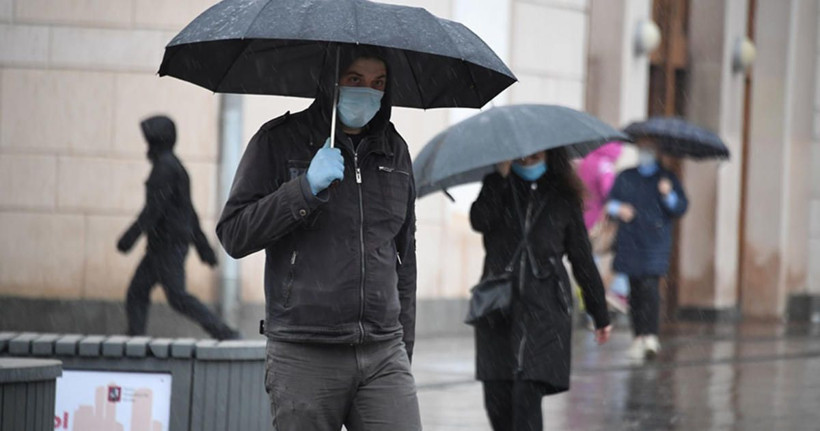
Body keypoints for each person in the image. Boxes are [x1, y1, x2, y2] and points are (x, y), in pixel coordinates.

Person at [216, 47, 420, 430]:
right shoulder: (278, 141)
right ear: (332, 82)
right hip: (305, 351)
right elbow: (235, 233)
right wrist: (305, 189)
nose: (368, 93)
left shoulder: (395, 151)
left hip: (382, 351)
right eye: (355, 80)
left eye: (379, 83)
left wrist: (403, 345)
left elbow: (403, 258)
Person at [470, 148, 612, 431]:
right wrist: (500, 177)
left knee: (527, 394)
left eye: (535, 156)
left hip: (546, 305)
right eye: (521, 156)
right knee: (497, 399)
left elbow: (581, 257)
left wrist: (600, 312)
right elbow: (479, 221)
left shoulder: (563, 195)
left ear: (550, 154)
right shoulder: (497, 185)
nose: (527, 161)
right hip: (497, 306)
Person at [117, 115, 240, 340]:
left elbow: (154, 210)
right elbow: (189, 212)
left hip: (167, 245)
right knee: (138, 292)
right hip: (164, 245)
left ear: (157, 141)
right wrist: (203, 248)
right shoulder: (174, 167)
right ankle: (135, 336)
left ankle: (224, 332)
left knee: (177, 297)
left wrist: (129, 238)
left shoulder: (165, 168)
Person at [606, 138, 688, 360]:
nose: (646, 153)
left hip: (655, 242)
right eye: (643, 149)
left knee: (650, 288)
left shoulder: (667, 177)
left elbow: (680, 207)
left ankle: (651, 335)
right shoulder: (626, 176)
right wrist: (619, 208)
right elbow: (609, 202)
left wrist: (667, 194)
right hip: (631, 240)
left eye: (650, 149)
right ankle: (638, 336)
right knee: (635, 291)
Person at [577, 142, 630, 313]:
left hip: (582, 217)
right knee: (606, 257)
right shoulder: (604, 166)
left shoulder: (586, 161)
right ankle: (615, 292)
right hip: (598, 221)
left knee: (587, 261)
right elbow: (610, 192)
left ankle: (587, 304)